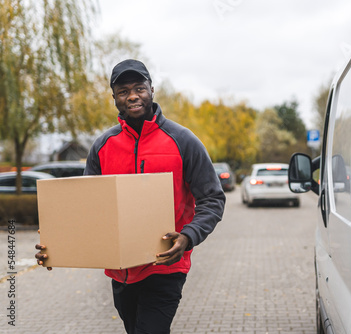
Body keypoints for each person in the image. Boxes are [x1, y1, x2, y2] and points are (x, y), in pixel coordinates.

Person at [35, 59, 226, 334]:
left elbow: (212, 199)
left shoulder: (183, 141)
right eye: (123, 91)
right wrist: (56, 246)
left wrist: (188, 237)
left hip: (165, 267)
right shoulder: (102, 146)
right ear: (114, 98)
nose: (133, 96)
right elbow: (88, 210)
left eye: (139, 88)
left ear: (151, 90)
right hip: (120, 272)